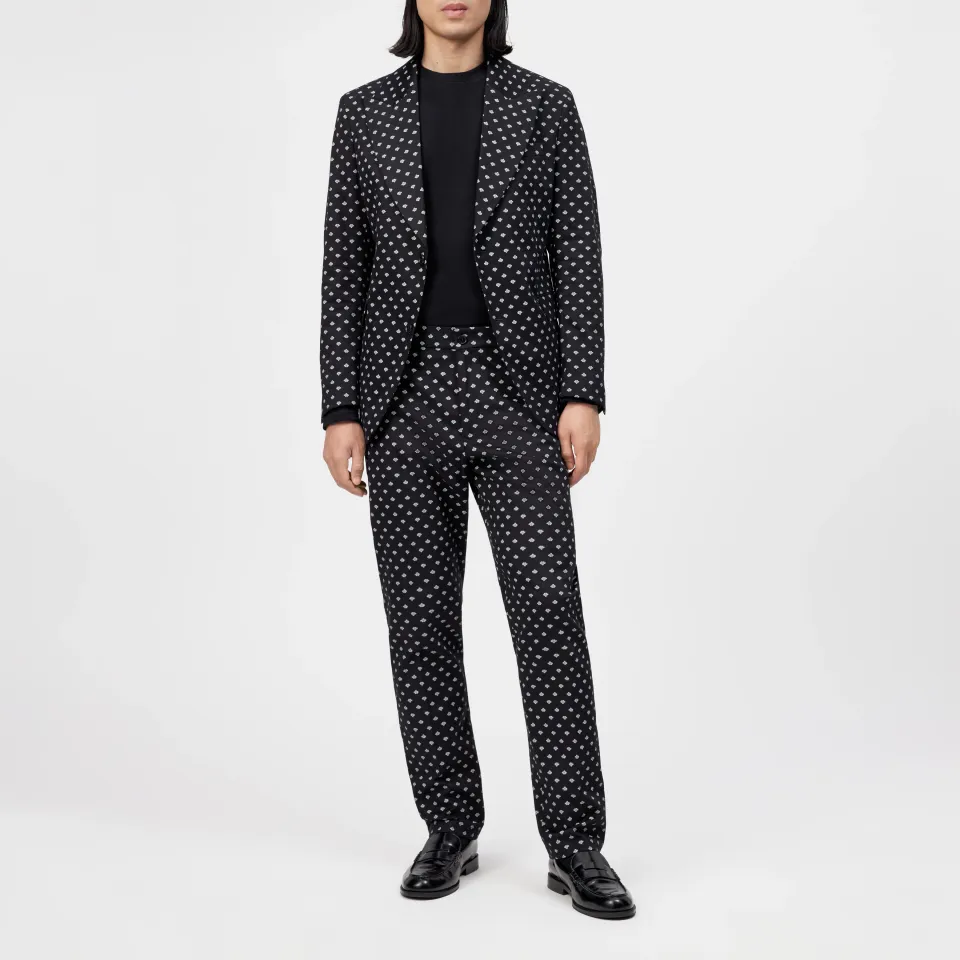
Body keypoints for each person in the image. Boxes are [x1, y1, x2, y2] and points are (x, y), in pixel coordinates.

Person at [320, 0, 635, 920]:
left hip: (521, 395)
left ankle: (575, 842)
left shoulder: (545, 106)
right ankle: (449, 823)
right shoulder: (363, 113)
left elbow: (578, 250)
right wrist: (341, 408)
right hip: (401, 397)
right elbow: (344, 266)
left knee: (549, 616)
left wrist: (584, 392)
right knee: (419, 625)